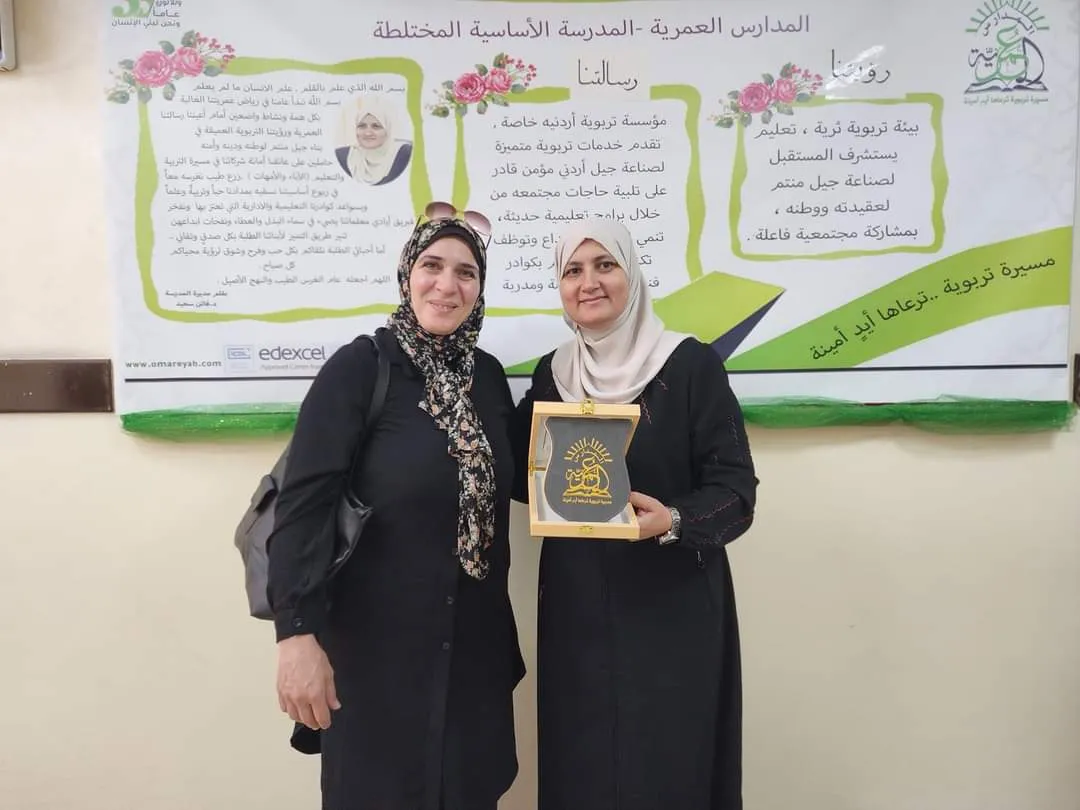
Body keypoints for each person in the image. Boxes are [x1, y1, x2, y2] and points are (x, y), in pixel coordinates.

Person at [267, 205, 525, 810]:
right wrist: (296, 636)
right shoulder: (361, 369)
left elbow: (526, 478)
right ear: (408, 274)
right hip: (376, 663)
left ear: (480, 288)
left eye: (466, 272)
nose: (447, 285)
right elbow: (302, 508)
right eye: (432, 265)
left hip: (473, 664)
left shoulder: (487, 380)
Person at [512, 219, 759, 810]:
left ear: (632, 275)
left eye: (605, 265)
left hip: (669, 609)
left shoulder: (690, 365)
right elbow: (521, 471)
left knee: (667, 766)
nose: (589, 283)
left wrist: (672, 519)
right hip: (576, 611)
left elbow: (736, 491)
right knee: (583, 767)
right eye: (573, 270)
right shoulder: (553, 374)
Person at [334, 94, 413, 185]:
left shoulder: (404, 154)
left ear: (387, 130)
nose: (368, 133)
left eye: (376, 126)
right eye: (362, 126)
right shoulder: (344, 157)